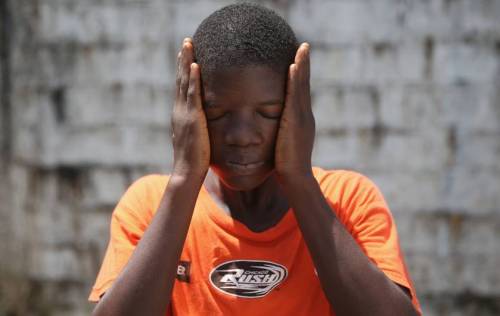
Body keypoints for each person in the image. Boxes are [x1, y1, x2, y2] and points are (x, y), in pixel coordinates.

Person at [89, 3, 421, 315]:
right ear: (189, 110)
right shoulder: (150, 204)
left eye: (269, 112)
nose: (242, 135)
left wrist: (300, 180)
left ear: (298, 108)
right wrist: (184, 179)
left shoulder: (348, 200)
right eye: (218, 113)